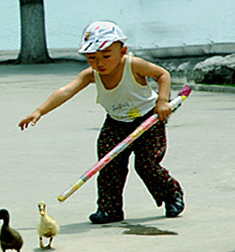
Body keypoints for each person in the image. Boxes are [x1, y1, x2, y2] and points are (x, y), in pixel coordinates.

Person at [18, 21, 185, 224]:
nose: (99, 63)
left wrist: (162, 101)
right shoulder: (91, 75)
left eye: (106, 56)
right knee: (108, 165)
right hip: (115, 123)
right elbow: (66, 91)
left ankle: (172, 195)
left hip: (148, 120)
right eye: (91, 58)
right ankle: (109, 209)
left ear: (122, 50)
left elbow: (162, 74)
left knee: (146, 165)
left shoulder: (133, 65)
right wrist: (38, 112)